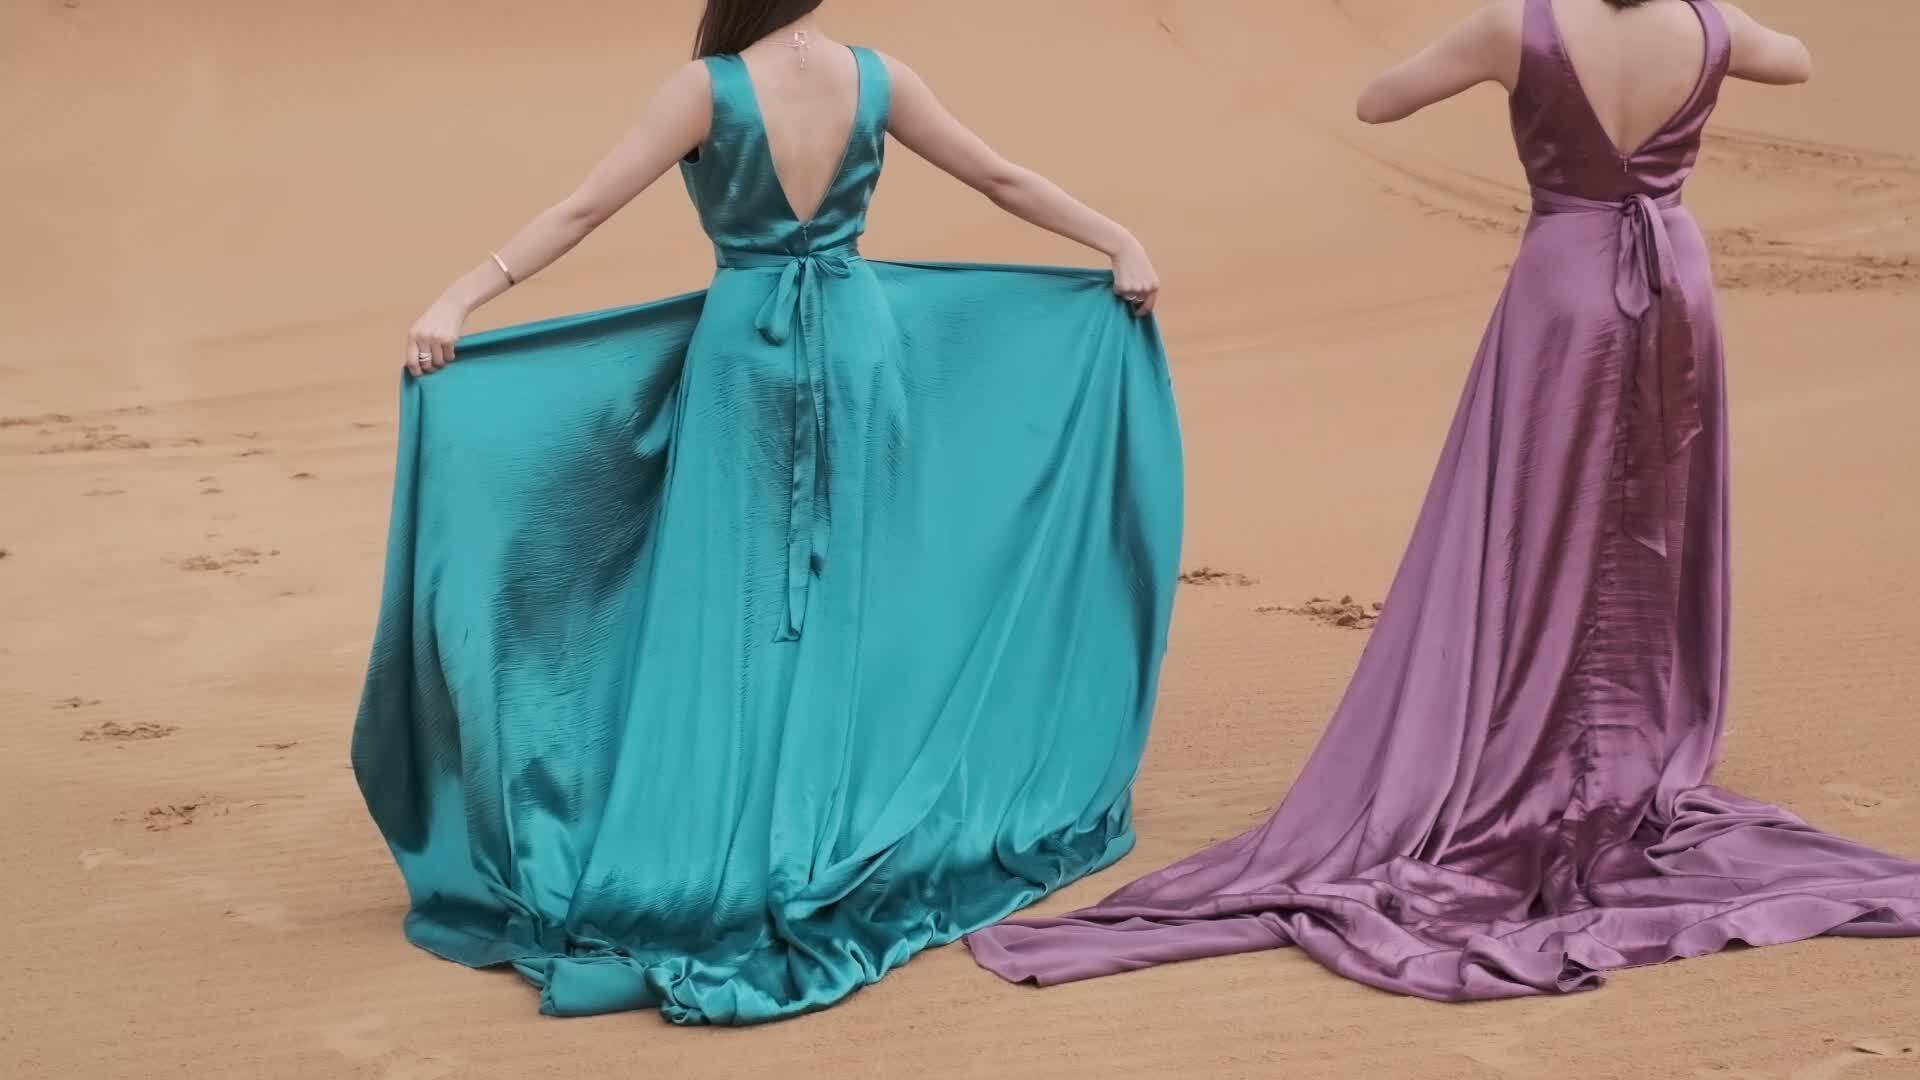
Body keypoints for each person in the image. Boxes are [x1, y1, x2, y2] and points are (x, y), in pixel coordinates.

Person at [969, 0, 1920, 1001]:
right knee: (1645, 525)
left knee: (1536, 523)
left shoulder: (1517, 25)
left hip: (1567, 287)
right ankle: (1619, 740)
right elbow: (1800, 59)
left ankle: (1530, 738)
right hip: (1677, 277)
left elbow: (1381, 103)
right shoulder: (1706, 25)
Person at [351, 0, 1184, 1026]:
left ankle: (736, 814)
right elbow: (1000, 176)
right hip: (861, 346)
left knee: (736, 597)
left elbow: (580, 209)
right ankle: (831, 807)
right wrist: (1117, 238)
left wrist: (461, 296)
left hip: (747, 356)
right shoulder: (875, 76)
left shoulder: (706, 87)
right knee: (845, 589)